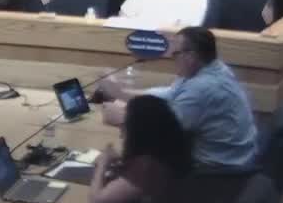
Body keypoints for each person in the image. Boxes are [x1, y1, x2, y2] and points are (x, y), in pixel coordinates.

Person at [99, 26, 259, 169]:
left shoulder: (202, 88)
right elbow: (170, 93)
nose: (172, 58)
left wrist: (124, 118)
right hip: (231, 156)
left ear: (191, 56)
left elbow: (167, 132)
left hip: (218, 169)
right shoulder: (211, 68)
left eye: (176, 54)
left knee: (142, 159)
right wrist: (122, 93)